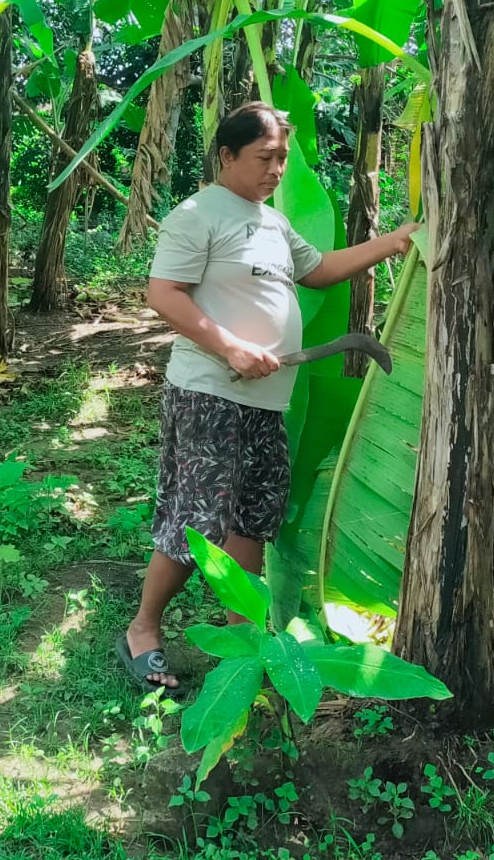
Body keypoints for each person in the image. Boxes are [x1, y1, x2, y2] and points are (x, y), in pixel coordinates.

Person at [117, 101, 418, 692]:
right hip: (209, 394)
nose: (277, 169)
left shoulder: (273, 222)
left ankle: (246, 645)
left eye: (282, 157)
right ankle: (142, 630)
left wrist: (395, 240)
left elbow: (321, 270)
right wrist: (229, 346)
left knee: (252, 519)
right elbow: (163, 292)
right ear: (227, 155)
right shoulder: (198, 214)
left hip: (266, 401)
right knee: (195, 522)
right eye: (264, 157)